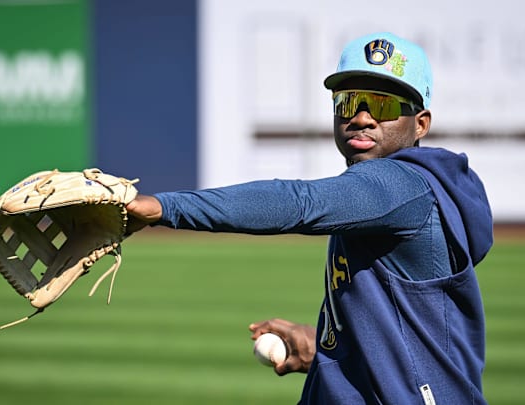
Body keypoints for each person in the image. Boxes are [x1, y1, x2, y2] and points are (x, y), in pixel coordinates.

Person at [125, 31, 493, 404]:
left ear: (421, 124)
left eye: (382, 105)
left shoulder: (402, 186)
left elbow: (298, 201)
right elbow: (401, 343)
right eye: (348, 102)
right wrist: (327, 347)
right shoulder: (379, 200)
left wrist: (162, 207)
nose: (362, 117)